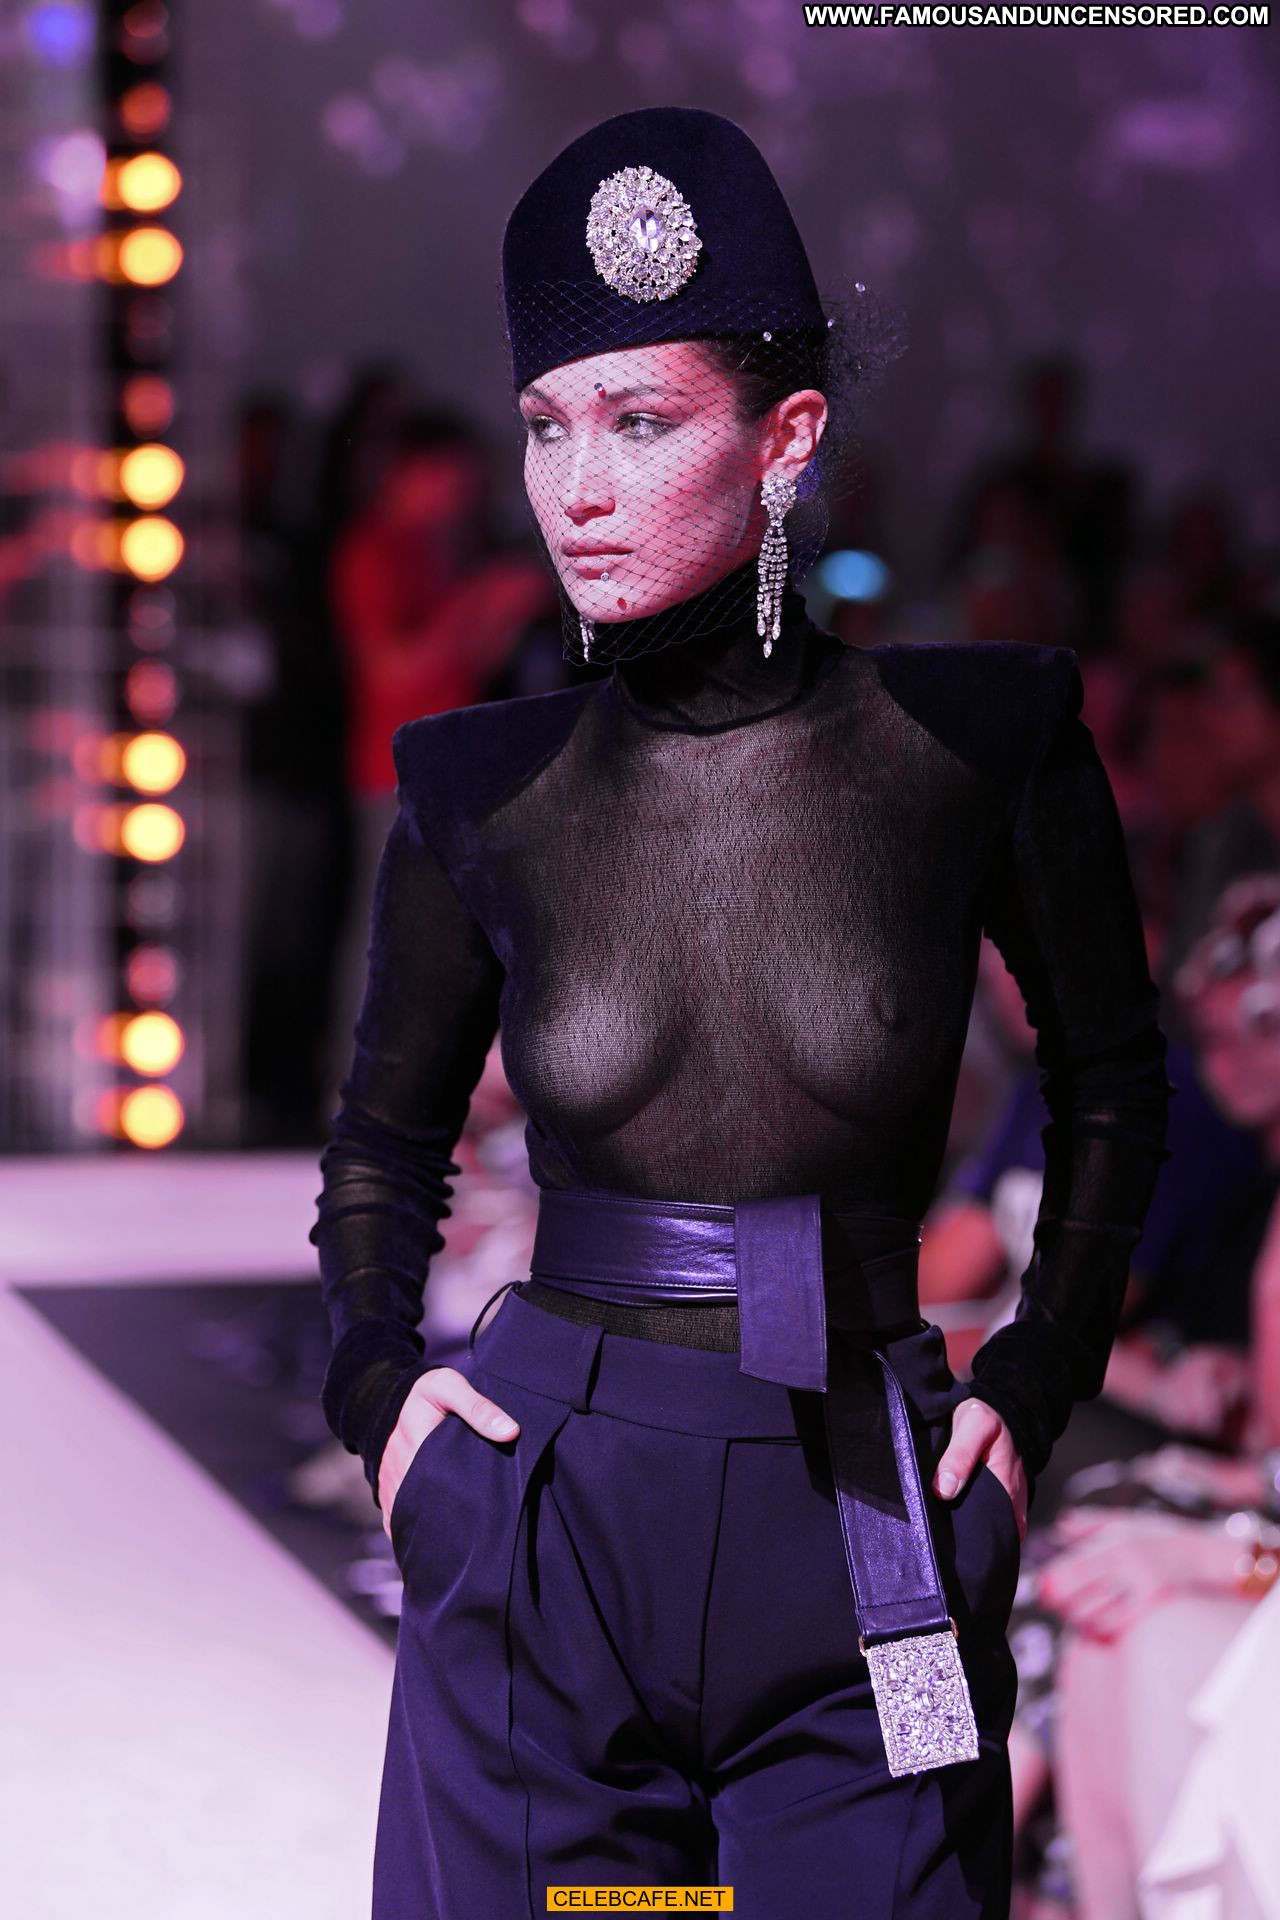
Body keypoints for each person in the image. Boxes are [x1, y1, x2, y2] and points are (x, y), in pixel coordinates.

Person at [311, 107, 1172, 1918]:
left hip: (871, 1520)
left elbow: (1112, 1079)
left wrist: (1037, 1379)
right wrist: (380, 1394)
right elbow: (384, 1140)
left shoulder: (974, 746)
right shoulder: (483, 785)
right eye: (547, 424)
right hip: (547, 1514)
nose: (576, 488)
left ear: (786, 439)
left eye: (640, 421)